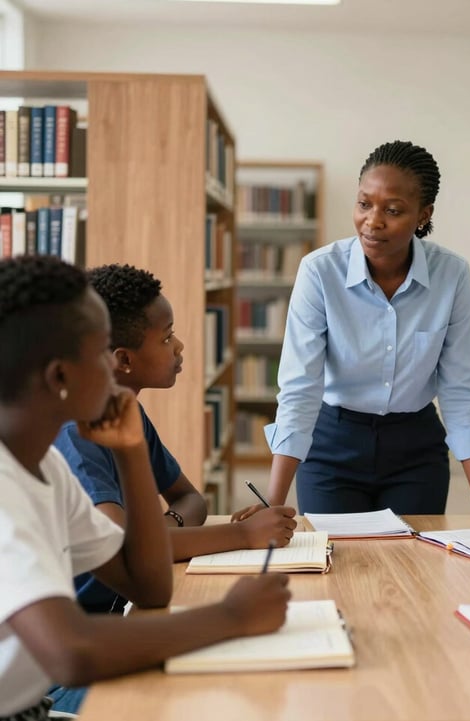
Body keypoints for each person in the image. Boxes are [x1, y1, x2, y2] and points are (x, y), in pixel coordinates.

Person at [0, 255, 290, 720]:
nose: (112, 365)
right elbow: (71, 651)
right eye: (100, 352)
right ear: (60, 377)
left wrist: (133, 450)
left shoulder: (45, 469)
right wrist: (230, 618)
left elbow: (148, 585)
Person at [238, 140, 470, 520]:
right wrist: (274, 500)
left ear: (424, 214)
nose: (373, 221)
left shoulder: (450, 274)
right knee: (336, 565)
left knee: (413, 567)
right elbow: (300, 386)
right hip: (332, 446)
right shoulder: (320, 271)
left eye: (393, 210)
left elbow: (461, 387)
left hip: (415, 451)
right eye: (364, 204)